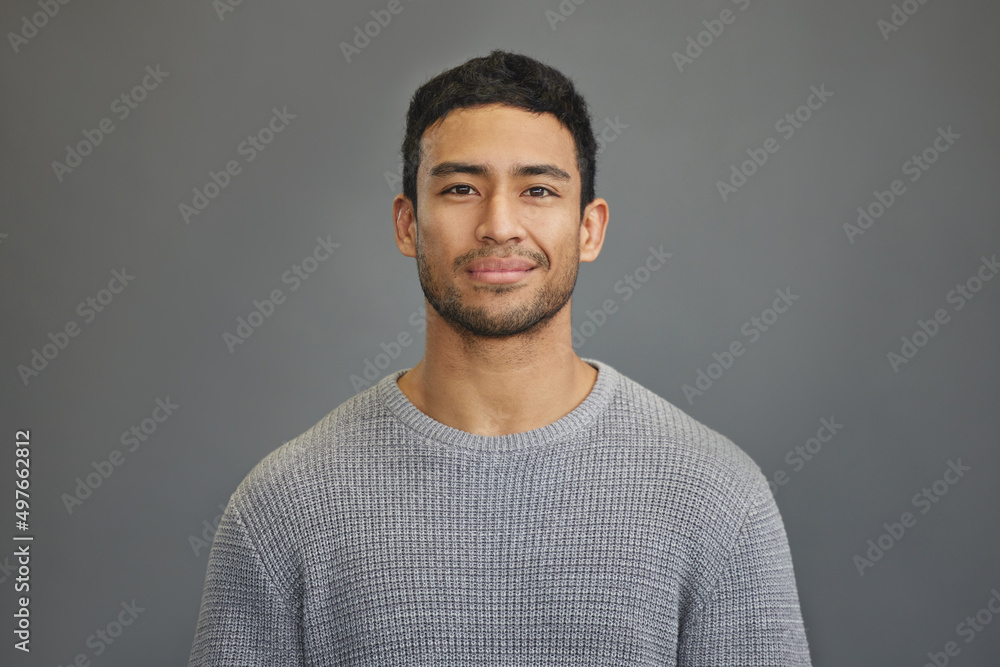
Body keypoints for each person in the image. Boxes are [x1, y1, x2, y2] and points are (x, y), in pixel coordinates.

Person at [188, 49, 812, 665]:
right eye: (462, 188)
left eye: (538, 189)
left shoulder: (716, 498)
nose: (499, 224)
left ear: (589, 229)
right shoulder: (282, 509)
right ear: (407, 224)